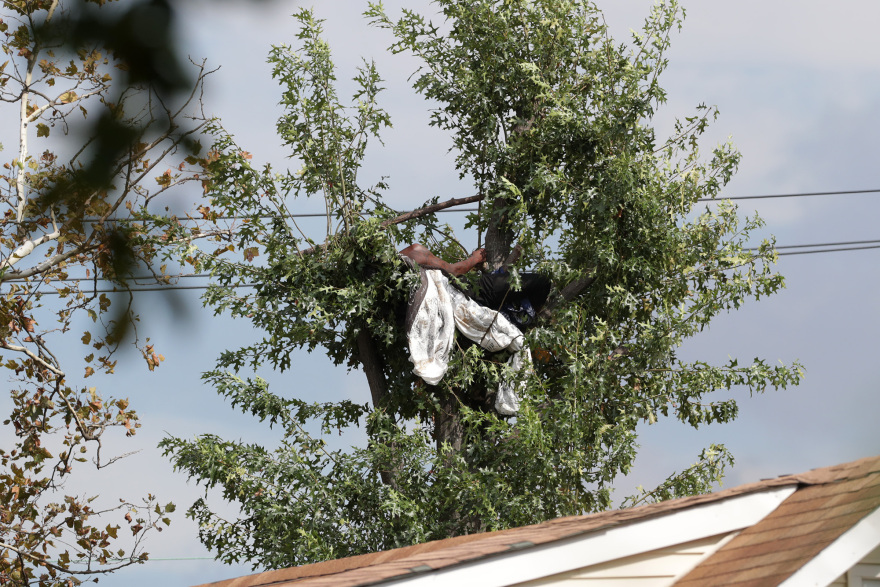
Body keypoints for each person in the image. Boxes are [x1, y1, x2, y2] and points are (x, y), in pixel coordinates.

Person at [399, 243, 550, 331]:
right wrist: (474, 259)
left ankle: (519, 316)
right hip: (470, 291)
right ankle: (532, 322)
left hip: (457, 306)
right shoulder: (413, 252)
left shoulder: (397, 283)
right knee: (542, 281)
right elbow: (453, 271)